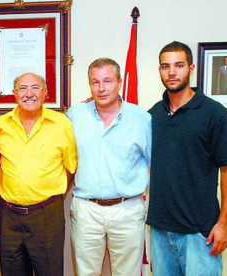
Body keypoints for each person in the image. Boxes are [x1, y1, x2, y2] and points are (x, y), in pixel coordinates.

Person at [147, 41, 227, 276]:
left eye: (178, 65)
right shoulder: (152, 115)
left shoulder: (213, 113)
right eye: (165, 66)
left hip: (200, 232)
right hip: (160, 231)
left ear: (191, 68)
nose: (171, 72)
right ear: (159, 70)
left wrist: (224, 224)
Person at [67, 58, 151, 276]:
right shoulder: (75, 116)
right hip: (86, 209)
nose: (101, 88)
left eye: (107, 81)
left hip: (128, 210)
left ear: (120, 82)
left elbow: (156, 165)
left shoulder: (141, 119)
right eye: (95, 82)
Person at [0, 72, 78, 276]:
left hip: (46, 216)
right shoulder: (0, 125)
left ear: (45, 93)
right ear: (14, 93)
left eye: (35, 88)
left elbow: (71, 168)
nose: (29, 93)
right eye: (22, 88)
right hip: (8, 217)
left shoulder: (62, 124)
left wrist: (45, 193)